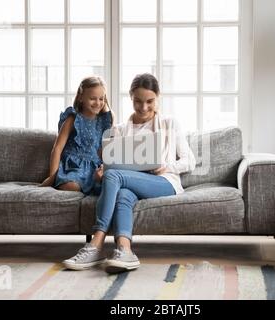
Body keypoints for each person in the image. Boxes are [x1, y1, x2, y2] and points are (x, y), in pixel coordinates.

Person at [63, 73, 196, 273]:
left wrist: (166, 167)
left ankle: (95, 244)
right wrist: (101, 173)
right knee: (122, 193)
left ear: (158, 98)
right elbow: (109, 165)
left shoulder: (170, 123)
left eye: (150, 101)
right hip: (130, 183)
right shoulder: (120, 130)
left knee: (114, 175)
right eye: (138, 102)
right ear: (131, 98)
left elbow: (190, 161)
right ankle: (125, 250)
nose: (144, 107)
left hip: (163, 181)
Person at [40, 76, 113, 194]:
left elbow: (105, 150)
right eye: (93, 98)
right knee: (73, 186)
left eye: (101, 98)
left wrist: (104, 169)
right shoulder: (73, 118)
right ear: (80, 97)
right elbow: (57, 148)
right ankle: (63, 182)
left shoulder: (104, 121)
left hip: (94, 168)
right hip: (74, 167)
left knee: (110, 186)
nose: (98, 103)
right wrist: (51, 177)